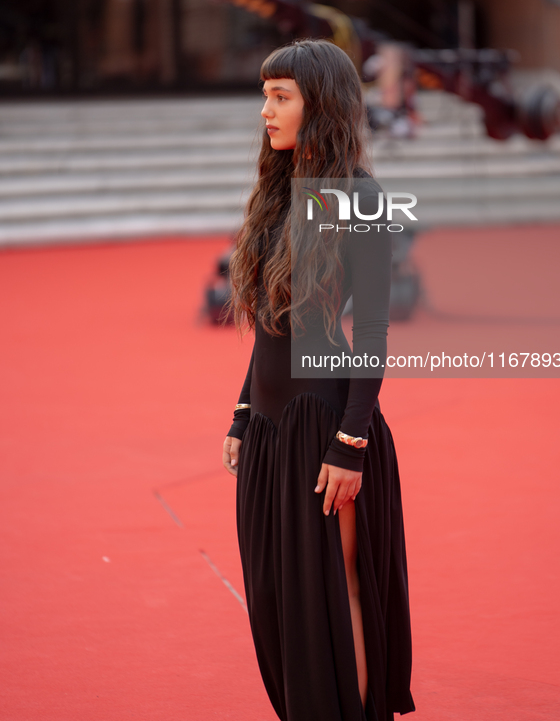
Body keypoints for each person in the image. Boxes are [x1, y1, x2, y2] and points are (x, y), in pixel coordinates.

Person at [222, 39, 415, 721]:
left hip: (326, 426)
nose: (266, 111)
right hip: (272, 434)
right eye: (265, 95)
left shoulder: (358, 196)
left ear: (319, 103)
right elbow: (274, 325)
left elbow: (371, 334)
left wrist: (348, 444)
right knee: (279, 599)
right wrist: (244, 412)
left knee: (342, 592)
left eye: (281, 96)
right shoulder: (278, 192)